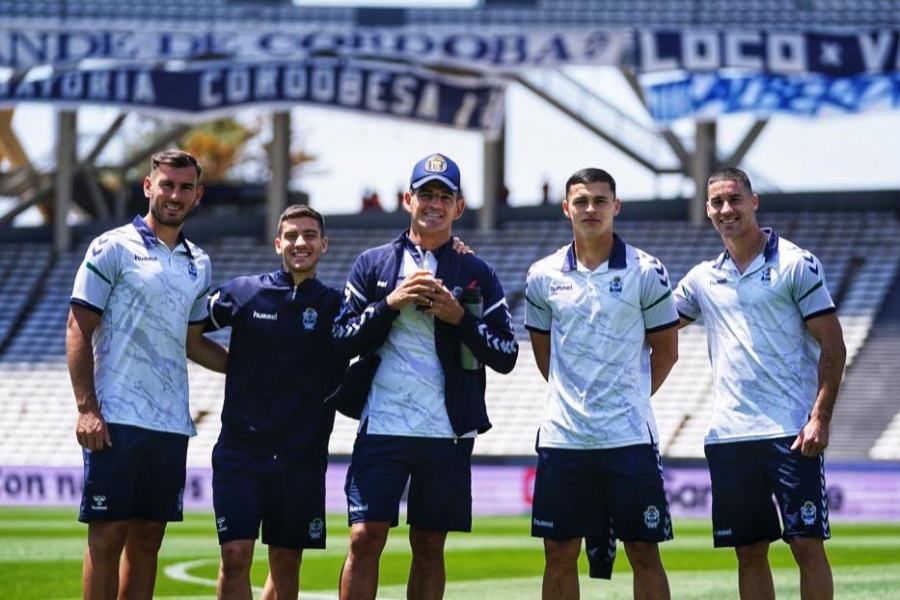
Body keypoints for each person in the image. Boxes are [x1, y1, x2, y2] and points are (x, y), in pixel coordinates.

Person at [332, 152, 519, 599]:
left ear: (459, 207)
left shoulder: (475, 271)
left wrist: (459, 317)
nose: (434, 203)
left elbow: (507, 354)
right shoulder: (373, 263)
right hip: (383, 424)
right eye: (426, 194)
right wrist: (390, 304)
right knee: (364, 538)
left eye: (444, 196)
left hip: (446, 431)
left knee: (430, 545)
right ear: (407, 199)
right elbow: (339, 340)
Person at [673, 167, 847, 600]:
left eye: (734, 199)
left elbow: (834, 346)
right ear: (707, 211)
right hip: (731, 436)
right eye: (717, 202)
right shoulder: (701, 279)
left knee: (806, 544)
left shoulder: (795, 263)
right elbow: (653, 324)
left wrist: (819, 419)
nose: (726, 209)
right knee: (748, 551)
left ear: (754, 202)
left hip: (791, 431)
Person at [66, 149, 228, 600]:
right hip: (116, 418)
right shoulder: (112, 246)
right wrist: (87, 409)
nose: (175, 195)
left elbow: (194, 343)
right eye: (167, 185)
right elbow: (79, 325)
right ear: (148, 187)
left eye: (185, 187)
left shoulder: (200, 263)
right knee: (107, 535)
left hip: (169, 423)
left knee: (148, 538)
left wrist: (255, 368)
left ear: (198, 195)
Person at [525, 167, 679, 600]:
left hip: (628, 437)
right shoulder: (542, 275)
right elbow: (544, 355)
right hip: (564, 437)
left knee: (644, 550)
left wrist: (624, 400)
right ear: (566, 208)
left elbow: (666, 352)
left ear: (616, 206)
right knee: (557, 551)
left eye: (599, 200)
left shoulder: (647, 271)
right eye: (581, 201)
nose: (590, 209)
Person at [204, 204, 347, 600]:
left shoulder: (337, 306)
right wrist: (234, 367)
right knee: (234, 557)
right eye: (292, 236)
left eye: (310, 235)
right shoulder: (244, 293)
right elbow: (187, 332)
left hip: (302, 456)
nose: (300, 242)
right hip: (241, 452)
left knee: (286, 564)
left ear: (324, 245)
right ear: (277, 244)